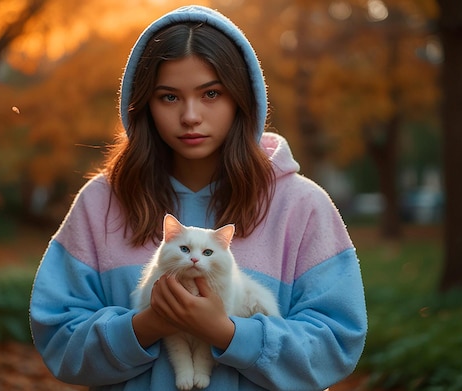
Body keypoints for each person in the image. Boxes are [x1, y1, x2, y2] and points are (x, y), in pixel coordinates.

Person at [30, 5, 367, 391]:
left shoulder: (303, 206)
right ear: (144, 105)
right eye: (169, 97)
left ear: (242, 99)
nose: (190, 116)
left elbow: (336, 344)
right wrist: (147, 324)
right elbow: (57, 337)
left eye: (211, 93)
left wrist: (229, 333)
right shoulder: (100, 203)